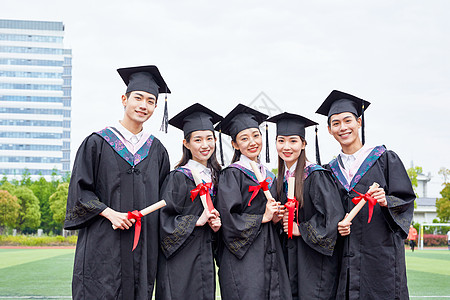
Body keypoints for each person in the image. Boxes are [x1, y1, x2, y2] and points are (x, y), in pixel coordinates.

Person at [64, 65, 171, 299]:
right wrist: (109, 213)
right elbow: (80, 191)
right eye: (138, 98)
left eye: (151, 101)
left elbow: (167, 200)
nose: (143, 105)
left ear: (155, 107)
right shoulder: (97, 143)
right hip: (103, 244)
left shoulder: (157, 151)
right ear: (124, 99)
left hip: (142, 248)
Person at [316, 90, 415, 300]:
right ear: (329, 129)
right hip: (344, 261)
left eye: (347, 120)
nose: (343, 127)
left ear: (359, 122)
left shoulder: (385, 159)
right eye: (336, 123)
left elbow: (405, 200)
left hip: (380, 258)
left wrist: (386, 200)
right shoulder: (329, 171)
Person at [214, 104, 292, 300]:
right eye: (244, 138)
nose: (252, 142)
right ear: (234, 144)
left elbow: (274, 221)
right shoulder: (231, 174)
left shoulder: (270, 176)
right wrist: (263, 217)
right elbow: (228, 220)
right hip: (243, 259)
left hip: (271, 252)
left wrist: (276, 218)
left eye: (256, 136)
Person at [266, 112, 345, 300]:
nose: (286, 147)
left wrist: (300, 229)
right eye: (281, 141)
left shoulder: (316, 176)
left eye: (293, 141)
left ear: (303, 144)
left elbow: (333, 218)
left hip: (315, 266)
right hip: (289, 262)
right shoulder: (278, 181)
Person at [156, 103, 223, 300]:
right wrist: (196, 220)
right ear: (186, 143)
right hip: (180, 261)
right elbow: (163, 222)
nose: (205, 145)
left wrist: (218, 225)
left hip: (205, 259)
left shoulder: (219, 177)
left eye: (209, 139)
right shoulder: (177, 177)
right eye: (198, 140)